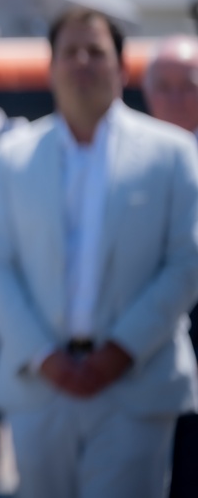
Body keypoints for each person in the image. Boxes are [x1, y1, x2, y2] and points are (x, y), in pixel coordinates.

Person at [0, 8, 198, 498]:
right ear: (51, 66)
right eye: (69, 51)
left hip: (136, 385)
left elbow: (187, 262)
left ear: (122, 66)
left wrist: (121, 351)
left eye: (96, 51)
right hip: (40, 387)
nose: (82, 62)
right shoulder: (12, 158)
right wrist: (44, 354)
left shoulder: (174, 154)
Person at [142, 34, 198, 498]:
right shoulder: (127, 161)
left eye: (190, 85)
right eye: (165, 85)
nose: (177, 97)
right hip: (139, 352)